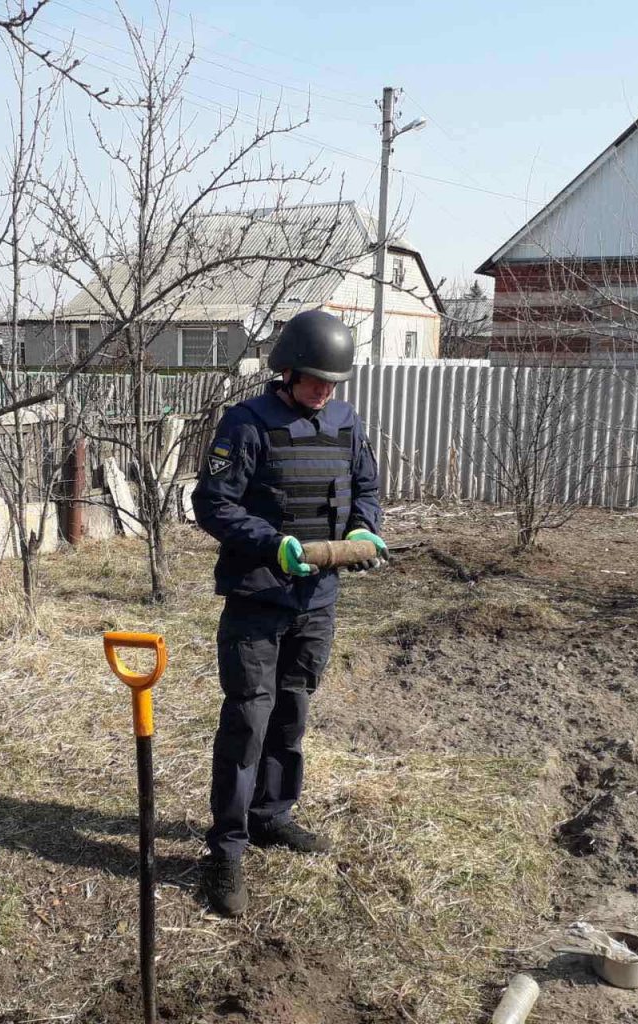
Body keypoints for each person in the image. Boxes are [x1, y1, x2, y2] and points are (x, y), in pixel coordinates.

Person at [191, 309, 386, 917]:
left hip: (318, 600)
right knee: (248, 719)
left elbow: (368, 490)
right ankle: (225, 848)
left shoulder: (347, 424)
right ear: (287, 371)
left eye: (332, 383)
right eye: (315, 381)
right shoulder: (247, 424)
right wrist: (272, 542)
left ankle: (273, 816)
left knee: (293, 712)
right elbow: (212, 503)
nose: (325, 392)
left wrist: (364, 530)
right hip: (257, 597)